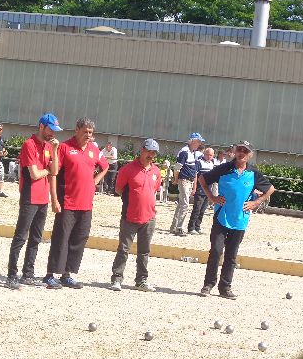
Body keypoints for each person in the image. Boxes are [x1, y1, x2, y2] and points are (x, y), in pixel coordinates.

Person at [198, 141, 275, 300]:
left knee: (231, 255)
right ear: (235, 151)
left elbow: (271, 189)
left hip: (240, 220)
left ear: (250, 155)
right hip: (222, 216)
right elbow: (202, 179)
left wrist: (255, 202)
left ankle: (225, 287)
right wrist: (212, 197)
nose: (241, 153)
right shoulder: (224, 168)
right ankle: (208, 284)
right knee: (216, 251)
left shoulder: (253, 173)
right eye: (239, 149)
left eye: (245, 151)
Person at [43, 118, 108, 289]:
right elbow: (53, 174)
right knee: (61, 238)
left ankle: (67, 274)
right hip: (67, 202)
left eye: (91, 133)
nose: (88, 135)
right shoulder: (65, 147)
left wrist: (95, 180)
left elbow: (105, 167)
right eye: (85, 131)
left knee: (79, 238)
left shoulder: (94, 150)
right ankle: (50, 274)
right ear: (77, 130)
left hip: (86, 204)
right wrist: (55, 199)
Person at [5, 113, 61, 289]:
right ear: (42, 127)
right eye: (51, 130)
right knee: (21, 236)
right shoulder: (29, 145)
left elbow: (55, 171)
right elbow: (35, 174)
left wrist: (54, 151)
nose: (53, 134)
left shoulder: (47, 146)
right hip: (30, 197)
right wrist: (47, 170)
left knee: (36, 238)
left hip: (43, 198)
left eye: (55, 131)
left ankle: (27, 273)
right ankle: (11, 275)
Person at [109, 139, 161, 292]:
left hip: (149, 217)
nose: (150, 155)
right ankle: (117, 279)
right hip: (130, 216)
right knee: (123, 249)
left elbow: (155, 190)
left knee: (144, 251)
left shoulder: (156, 171)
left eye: (153, 152)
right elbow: (118, 189)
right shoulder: (127, 169)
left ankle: (141, 280)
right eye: (148, 151)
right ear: (142, 150)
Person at [169, 132, 205, 236]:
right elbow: (177, 167)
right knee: (185, 204)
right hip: (184, 180)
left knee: (182, 204)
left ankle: (174, 227)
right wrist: (176, 179)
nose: (199, 144)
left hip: (188, 180)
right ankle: (179, 228)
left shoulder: (192, 152)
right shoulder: (184, 152)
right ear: (193, 141)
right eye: (198, 142)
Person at [187, 147, 216, 235]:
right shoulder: (199, 162)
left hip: (208, 191)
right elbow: (195, 176)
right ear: (204, 154)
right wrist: (194, 188)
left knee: (203, 210)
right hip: (200, 189)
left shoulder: (212, 163)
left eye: (211, 155)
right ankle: (191, 227)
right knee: (196, 209)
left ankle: (197, 226)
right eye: (207, 154)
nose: (209, 156)